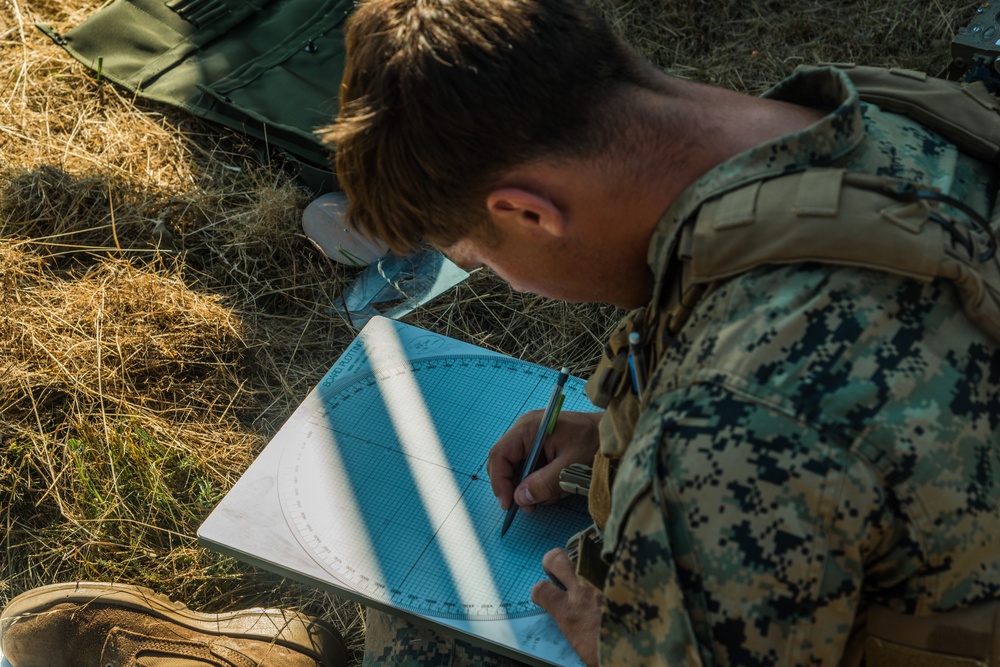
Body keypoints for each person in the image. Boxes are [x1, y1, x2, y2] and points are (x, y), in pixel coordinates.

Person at [321, 0, 1000, 665]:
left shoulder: (725, 432)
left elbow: (773, 421)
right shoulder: (884, 115)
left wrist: (623, 642)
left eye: (483, 259)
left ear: (527, 211)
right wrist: (618, 434)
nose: (512, 283)